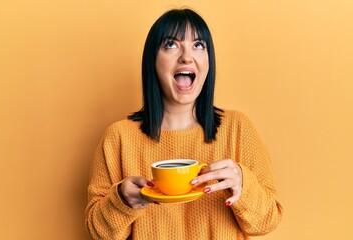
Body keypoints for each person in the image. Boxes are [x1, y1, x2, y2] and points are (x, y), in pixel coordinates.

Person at [85, 8, 283, 240]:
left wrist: (242, 184)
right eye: (171, 45)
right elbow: (98, 233)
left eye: (198, 45)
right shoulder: (118, 137)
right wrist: (121, 199)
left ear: (208, 61)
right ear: (153, 61)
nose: (186, 57)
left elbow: (267, 221)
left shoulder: (238, 128)